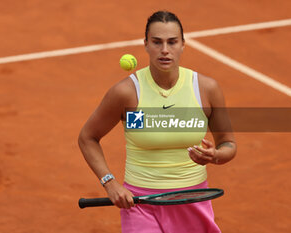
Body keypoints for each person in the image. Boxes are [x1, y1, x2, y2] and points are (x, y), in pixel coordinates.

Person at [78, 10, 236, 233]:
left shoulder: (206, 89)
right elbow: (88, 137)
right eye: (157, 42)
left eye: (172, 42)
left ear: (183, 44)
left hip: (191, 201)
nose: (164, 50)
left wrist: (217, 156)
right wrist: (110, 182)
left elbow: (228, 143)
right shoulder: (127, 93)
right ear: (145, 44)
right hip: (141, 204)